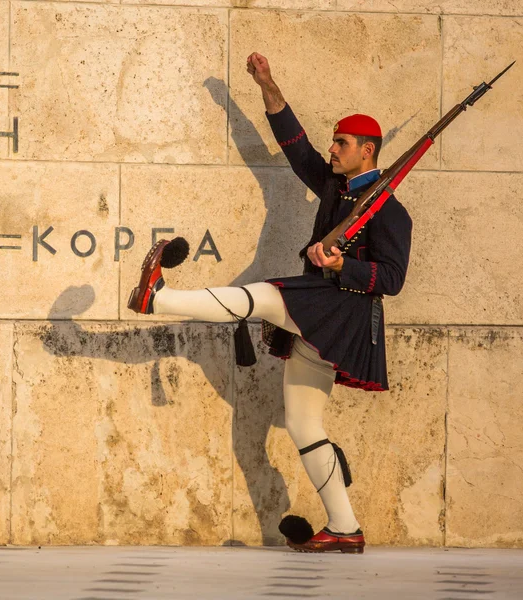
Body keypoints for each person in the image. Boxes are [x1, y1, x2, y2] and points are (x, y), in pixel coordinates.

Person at [128, 53, 412, 554]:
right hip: (321, 320)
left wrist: (338, 265)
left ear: (368, 151)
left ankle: (158, 295)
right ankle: (345, 528)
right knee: (303, 423)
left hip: (340, 313)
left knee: (264, 296)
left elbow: (390, 280)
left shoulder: (390, 211)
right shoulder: (334, 186)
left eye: (342, 144)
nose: (332, 149)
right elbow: (295, 145)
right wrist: (267, 85)